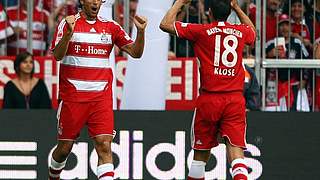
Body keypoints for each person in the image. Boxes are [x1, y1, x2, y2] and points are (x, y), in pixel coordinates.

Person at [48, 0, 147, 179]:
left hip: (100, 97)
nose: (95, 2)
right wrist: (68, 35)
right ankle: (53, 176)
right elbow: (57, 55)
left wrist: (140, 32)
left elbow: (136, 53)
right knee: (64, 150)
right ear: (81, 1)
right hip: (73, 97)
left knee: (104, 146)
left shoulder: (111, 27)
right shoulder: (68, 23)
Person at [160, 0, 256, 179]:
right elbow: (253, 33)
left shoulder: (201, 31)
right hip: (234, 101)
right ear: (229, 13)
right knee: (237, 157)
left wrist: (180, 2)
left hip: (209, 100)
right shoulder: (241, 31)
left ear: (209, 12)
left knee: (199, 159)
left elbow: (165, 24)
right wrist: (236, 8)